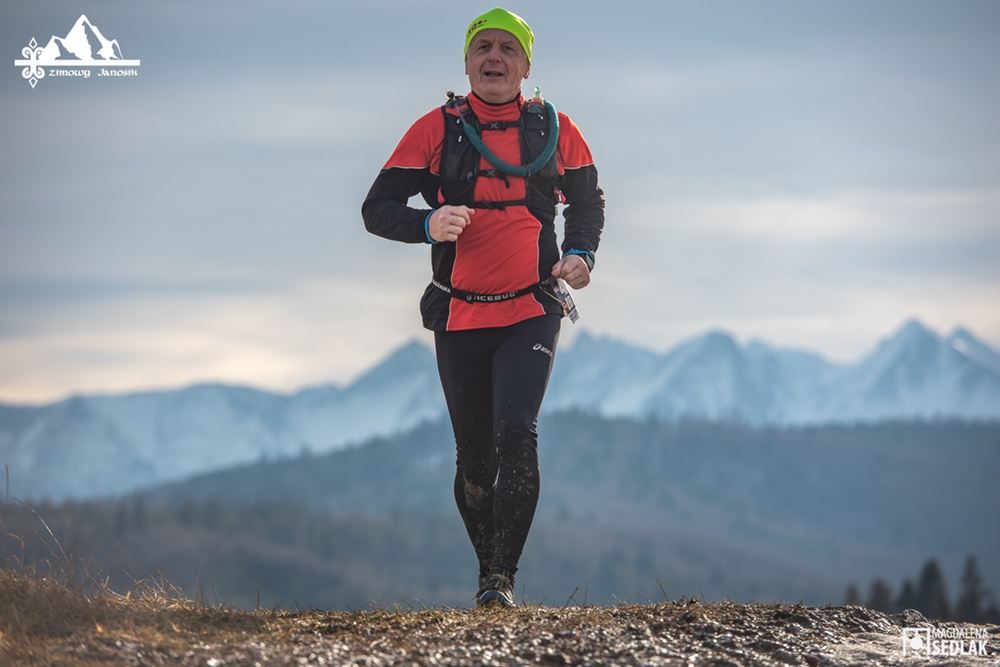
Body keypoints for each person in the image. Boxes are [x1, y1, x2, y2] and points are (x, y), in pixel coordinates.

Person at [361, 7, 604, 608]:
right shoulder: (434, 129)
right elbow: (376, 209)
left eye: (507, 48)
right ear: (467, 62)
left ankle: (501, 582)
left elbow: (587, 201)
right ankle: (489, 568)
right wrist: (428, 223)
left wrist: (581, 253)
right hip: (460, 313)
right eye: (483, 48)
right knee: (474, 460)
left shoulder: (555, 129)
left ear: (527, 65)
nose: (494, 57)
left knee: (516, 434)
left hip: (532, 308)